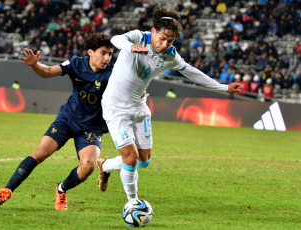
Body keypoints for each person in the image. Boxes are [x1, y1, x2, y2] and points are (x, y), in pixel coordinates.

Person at [97, 6, 241, 201]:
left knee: (143, 161)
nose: (165, 44)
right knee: (130, 158)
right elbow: (116, 39)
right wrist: (130, 47)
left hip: (139, 106)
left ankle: (105, 166)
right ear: (153, 31)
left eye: (170, 41)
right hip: (116, 107)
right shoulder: (139, 37)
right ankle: (133, 203)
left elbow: (191, 72)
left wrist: (223, 88)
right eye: (162, 38)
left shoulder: (170, 55)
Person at [0, 33, 115, 211]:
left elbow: (129, 87)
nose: (107, 58)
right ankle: (8, 188)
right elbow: (48, 71)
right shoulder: (76, 63)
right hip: (68, 119)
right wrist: (35, 64)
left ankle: (61, 189)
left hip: (91, 127)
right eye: (103, 53)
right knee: (40, 153)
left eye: (110, 54)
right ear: (90, 51)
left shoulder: (113, 73)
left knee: (88, 167)